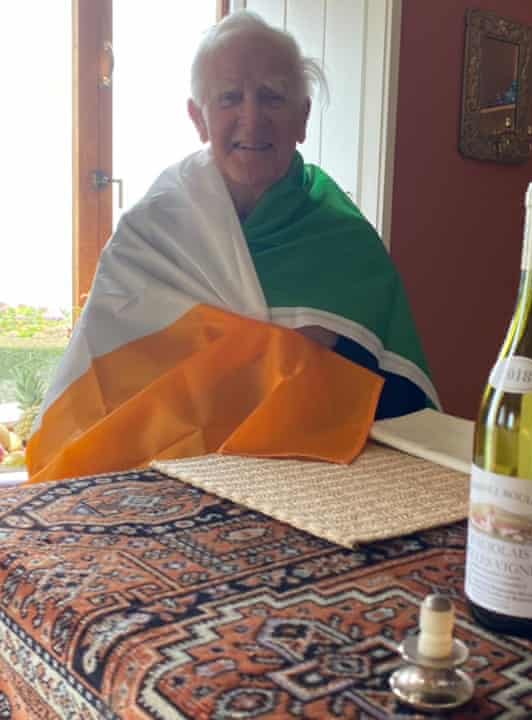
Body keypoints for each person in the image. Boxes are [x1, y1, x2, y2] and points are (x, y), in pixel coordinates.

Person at [27, 11, 438, 483]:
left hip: (307, 484)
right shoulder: (149, 232)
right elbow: (104, 383)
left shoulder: (346, 241)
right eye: (229, 98)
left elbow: (394, 400)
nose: (252, 118)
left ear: (302, 118)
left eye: (272, 96)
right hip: (153, 482)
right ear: (198, 118)